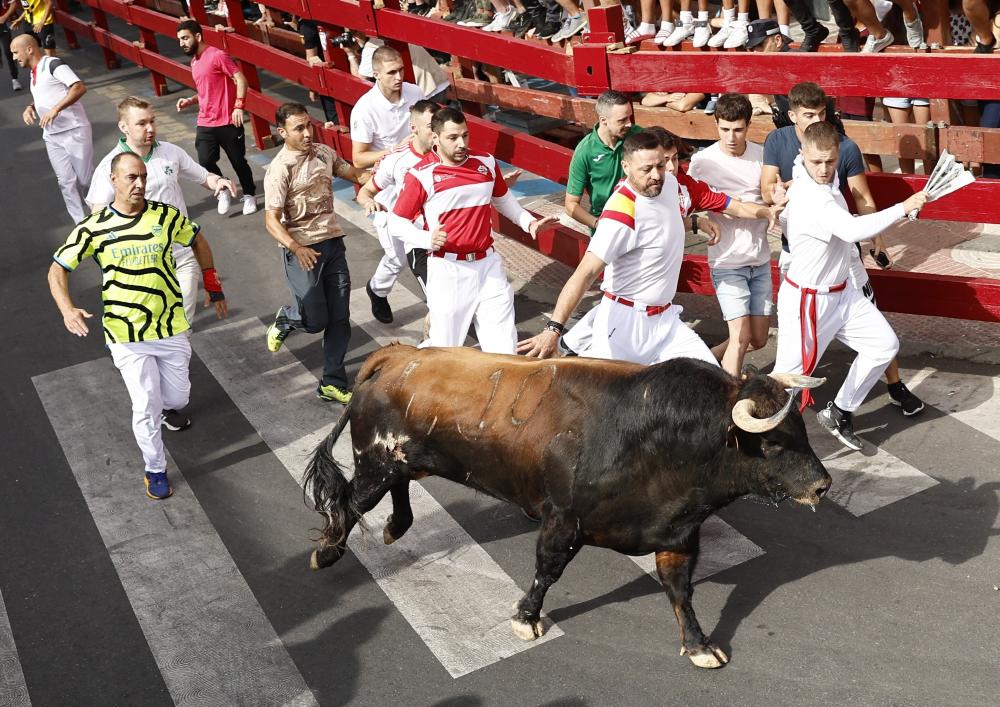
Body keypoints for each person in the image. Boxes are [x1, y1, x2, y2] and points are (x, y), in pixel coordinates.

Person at [47, 152, 229, 500]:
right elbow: (58, 268)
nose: (140, 184)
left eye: (143, 176)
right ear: (113, 180)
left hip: (171, 327)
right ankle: (155, 468)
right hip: (126, 334)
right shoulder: (94, 227)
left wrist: (213, 283)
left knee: (177, 397)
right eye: (131, 177)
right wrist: (67, 309)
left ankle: (164, 409)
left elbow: (198, 241)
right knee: (145, 403)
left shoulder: (165, 215)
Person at [762, 82, 925, 416]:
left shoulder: (839, 150)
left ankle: (849, 408)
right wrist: (775, 197)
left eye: (829, 162)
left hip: (842, 272)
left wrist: (877, 244)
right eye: (808, 114)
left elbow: (860, 201)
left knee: (883, 342)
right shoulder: (787, 153)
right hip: (808, 283)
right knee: (790, 377)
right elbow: (771, 187)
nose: (824, 169)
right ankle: (753, 430)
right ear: (793, 118)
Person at [519, 130, 719, 364]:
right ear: (626, 167)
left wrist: (696, 221)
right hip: (625, 326)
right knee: (607, 399)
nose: (656, 175)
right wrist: (553, 329)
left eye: (661, 165)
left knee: (710, 376)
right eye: (646, 169)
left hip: (666, 321)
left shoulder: (669, 184)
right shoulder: (620, 214)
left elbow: (659, 228)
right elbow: (585, 273)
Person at [388, 107, 555, 354]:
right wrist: (426, 239)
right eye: (452, 137)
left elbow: (503, 199)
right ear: (435, 138)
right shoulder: (422, 175)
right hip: (448, 270)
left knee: (504, 349)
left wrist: (528, 222)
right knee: (446, 351)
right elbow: (396, 221)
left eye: (465, 135)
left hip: (489, 266)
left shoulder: (486, 162)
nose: (461, 143)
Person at [86, 96, 237, 326]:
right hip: (143, 264)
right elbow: (98, 217)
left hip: (182, 256)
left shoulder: (170, 152)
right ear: (123, 126)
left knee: (180, 327)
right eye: (142, 123)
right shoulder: (110, 166)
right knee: (151, 328)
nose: (150, 128)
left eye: (153, 121)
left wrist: (219, 182)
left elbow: (203, 176)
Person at [263, 102, 369, 404]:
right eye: (299, 128)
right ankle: (288, 319)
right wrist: (296, 247)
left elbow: (354, 174)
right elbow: (270, 220)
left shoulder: (324, 153)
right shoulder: (279, 170)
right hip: (301, 251)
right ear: (283, 133)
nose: (308, 133)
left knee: (340, 317)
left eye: (309, 125)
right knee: (315, 320)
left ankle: (331, 382)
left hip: (333, 244)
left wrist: (390, 173)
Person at [688, 93, 776, 377]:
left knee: (757, 339)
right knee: (740, 338)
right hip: (727, 262)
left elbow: (775, 196)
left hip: (760, 260)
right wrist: (700, 221)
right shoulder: (703, 162)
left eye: (737, 129)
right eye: (724, 129)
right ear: (716, 124)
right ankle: (730, 403)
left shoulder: (763, 156)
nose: (731, 137)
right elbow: (684, 203)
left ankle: (701, 364)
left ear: (748, 125)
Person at [356, 100, 438, 324]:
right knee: (396, 259)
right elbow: (366, 191)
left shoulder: (446, 150)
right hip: (391, 212)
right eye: (432, 125)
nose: (437, 131)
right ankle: (377, 291)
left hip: (432, 229)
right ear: (414, 128)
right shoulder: (396, 158)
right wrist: (367, 202)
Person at [175, 19, 258, 216]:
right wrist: (190, 100)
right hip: (205, 122)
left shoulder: (217, 55)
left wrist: (239, 107)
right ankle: (223, 188)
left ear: (198, 36)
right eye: (179, 40)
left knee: (238, 162)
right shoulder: (194, 62)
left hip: (228, 121)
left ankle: (249, 195)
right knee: (204, 160)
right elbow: (206, 91)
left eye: (185, 38)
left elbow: (240, 80)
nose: (182, 43)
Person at [13, 33, 92, 223]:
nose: (14, 57)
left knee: (85, 180)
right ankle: (81, 226)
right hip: (52, 135)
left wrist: (56, 109)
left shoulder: (53, 64)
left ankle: (105, 217)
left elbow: (79, 87)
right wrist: (31, 106)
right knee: (66, 182)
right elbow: (46, 93)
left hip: (74, 130)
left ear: (29, 49)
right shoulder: (33, 73)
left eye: (16, 52)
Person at [564, 90, 642, 234]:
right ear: (603, 120)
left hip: (640, 217)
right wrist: (598, 224)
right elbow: (570, 205)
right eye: (622, 120)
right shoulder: (585, 151)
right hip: (606, 223)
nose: (629, 124)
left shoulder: (637, 136)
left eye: (629, 117)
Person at [349, 45, 423, 170]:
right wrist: (397, 149)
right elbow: (358, 160)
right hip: (388, 175)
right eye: (391, 73)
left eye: (401, 70)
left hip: (419, 165)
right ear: (376, 75)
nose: (399, 77)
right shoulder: (364, 109)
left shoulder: (416, 92)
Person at [0, 0, 23, 90]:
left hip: (1, 25)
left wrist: (4, 17)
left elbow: (14, 3)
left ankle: (15, 79)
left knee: (8, 52)